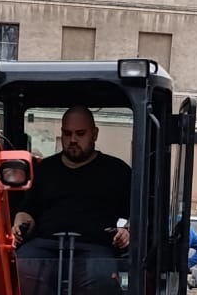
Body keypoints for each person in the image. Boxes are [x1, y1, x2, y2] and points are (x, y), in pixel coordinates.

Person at [12, 106, 131, 252]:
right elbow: (28, 210)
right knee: (22, 260)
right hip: (45, 247)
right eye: (67, 134)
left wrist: (126, 231)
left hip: (96, 249)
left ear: (94, 134)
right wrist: (20, 224)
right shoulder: (44, 169)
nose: (73, 140)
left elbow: (134, 216)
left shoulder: (117, 171)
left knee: (101, 266)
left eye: (80, 134)